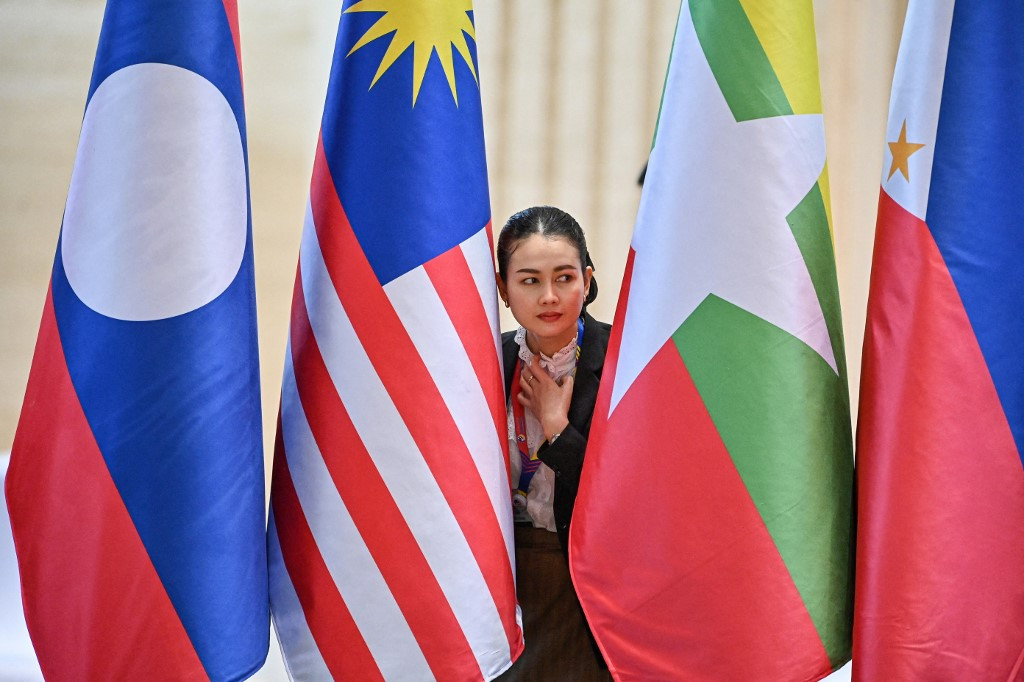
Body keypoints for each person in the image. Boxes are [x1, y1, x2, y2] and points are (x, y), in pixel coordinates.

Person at [494, 206, 612, 680]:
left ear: (587, 280)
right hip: (500, 589)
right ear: (503, 289)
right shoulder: (483, 358)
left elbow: (630, 500)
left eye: (564, 278)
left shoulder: (624, 358)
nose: (549, 296)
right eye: (529, 281)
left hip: (587, 594)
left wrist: (557, 429)